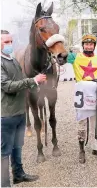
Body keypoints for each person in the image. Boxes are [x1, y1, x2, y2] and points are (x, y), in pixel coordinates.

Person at [1, 30, 47, 187]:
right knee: (5, 151)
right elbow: (7, 86)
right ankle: (4, 183)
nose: (9, 45)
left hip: (20, 111)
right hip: (6, 113)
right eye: (5, 42)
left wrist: (36, 82)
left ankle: (18, 174)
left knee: (17, 146)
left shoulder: (12, 60)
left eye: (10, 41)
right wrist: (32, 80)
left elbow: (22, 80)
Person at [67, 33, 97, 163]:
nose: (88, 46)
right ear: (83, 45)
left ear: (94, 46)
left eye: (91, 44)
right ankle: (81, 150)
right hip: (82, 95)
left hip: (95, 94)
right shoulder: (75, 57)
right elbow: (61, 56)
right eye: (86, 44)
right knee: (82, 123)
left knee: (96, 122)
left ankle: (95, 147)